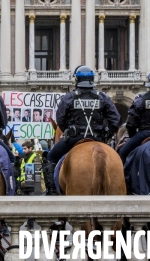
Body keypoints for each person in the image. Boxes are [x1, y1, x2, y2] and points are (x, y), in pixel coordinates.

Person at [43, 65, 120, 195]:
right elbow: (115, 119)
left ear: (77, 80)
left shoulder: (69, 97)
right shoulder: (102, 97)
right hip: (97, 138)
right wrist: (106, 134)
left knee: (50, 157)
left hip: (74, 139)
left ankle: (51, 191)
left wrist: (68, 130)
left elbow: (60, 119)